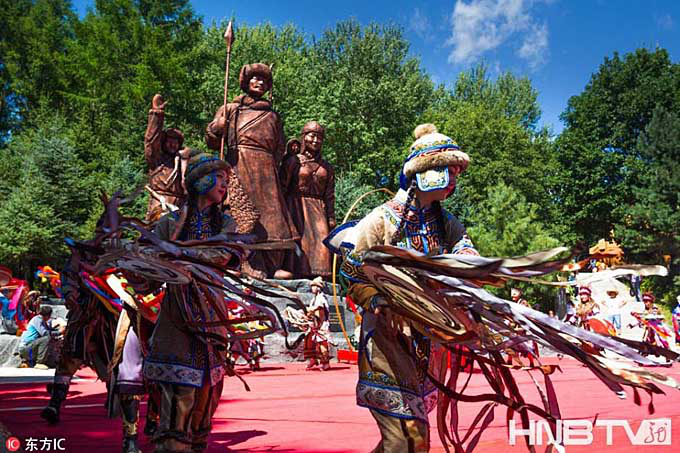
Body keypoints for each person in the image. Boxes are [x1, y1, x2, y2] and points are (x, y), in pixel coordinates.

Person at [328, 124, 476, 452]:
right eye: (447, 170)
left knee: (407, 440)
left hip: (428, 341)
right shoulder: (381, 219)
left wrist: (463, 273)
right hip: (387, 339)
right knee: (409, 439)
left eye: (456, 171)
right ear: (423, 173)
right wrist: (378, 298)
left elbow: (467, 253)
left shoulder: (446, 223)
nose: (454, 178)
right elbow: (352, 268)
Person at [143, 151, 241, 453]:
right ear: (199, 181)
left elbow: (223, 254)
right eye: (218, 178)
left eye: (226, 179)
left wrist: (180, 254)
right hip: (177, 318)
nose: (224, 184)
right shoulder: (168, 224)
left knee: (206, 397)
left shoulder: (226, 223)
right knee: (178, 393)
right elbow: (149, 269)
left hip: (212, 318)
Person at [205, 63, 298, 278]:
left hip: (266, 171)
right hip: (239, 163)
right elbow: (213, 142)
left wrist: (270, 167)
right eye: (255, 78)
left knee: (272, 217)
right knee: (240, 212)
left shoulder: (273, 116)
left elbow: (279, 147)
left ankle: (271, 264)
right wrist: (216, 129)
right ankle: (239, 262)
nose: (259, 82)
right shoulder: (231, 108)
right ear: (246, 82)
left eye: (264, 80)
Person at [281, 122, 336, 278]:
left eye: (320, 137)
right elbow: (282, 187)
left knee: (322, 244)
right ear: (304, 137)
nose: (316, 140)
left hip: (318, 210)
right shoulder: (293, 161)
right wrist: (282, 212)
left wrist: (331, 217)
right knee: (299, 244)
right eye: (312, 136)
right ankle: (296, 276)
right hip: (295, 207)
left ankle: (320, 278)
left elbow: (330, 195)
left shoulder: (326, 167)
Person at [144, 93, 190, 222]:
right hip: (160, 203)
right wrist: (157, 115)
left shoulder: (182, 162)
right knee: (157, 230)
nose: (173, 145)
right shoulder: (156, 158)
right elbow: (151, 140)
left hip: (180, 205)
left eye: (176, 142)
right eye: (169, 141)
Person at [304, 277, 332, 371]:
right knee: (309, 341)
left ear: (318, 287)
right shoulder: (313, 299)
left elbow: (319, 307)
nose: (312, 288)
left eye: (314, 286)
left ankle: (325, 363)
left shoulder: (321, 298)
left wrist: (310, 310)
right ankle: (313, 360)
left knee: (322, 344)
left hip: (321, 325)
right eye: (312, 286)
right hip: (314, 324)